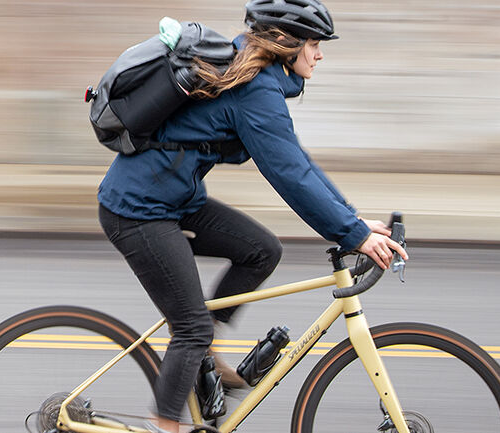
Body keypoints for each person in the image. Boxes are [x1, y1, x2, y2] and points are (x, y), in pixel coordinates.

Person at [95, 0, 408, 431]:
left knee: (261, 250)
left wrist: (353, 222)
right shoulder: (256, 90)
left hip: (174, 200)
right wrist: (352, 234)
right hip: (137, 212)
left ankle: (204, 356)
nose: (320, 54)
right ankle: (164, 422)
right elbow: (290, 176)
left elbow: (296, 160)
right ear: (286, 43)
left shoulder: (255, 72)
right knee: (191, 330)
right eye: (314, 44)